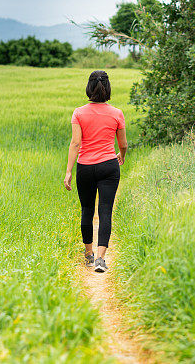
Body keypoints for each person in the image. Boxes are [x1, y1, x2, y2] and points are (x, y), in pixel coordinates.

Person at [64, 70, 128, 273]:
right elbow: (124, 144)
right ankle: (101, 259)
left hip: (85, 167)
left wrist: (68, 172)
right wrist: (122, 155)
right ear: (107, 88)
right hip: (109, 165)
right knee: (106, 210)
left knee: (87, 210)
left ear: (89, 88)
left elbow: (75, 144)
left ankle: (88, 254)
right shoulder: (117, 113)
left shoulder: (79, 112)